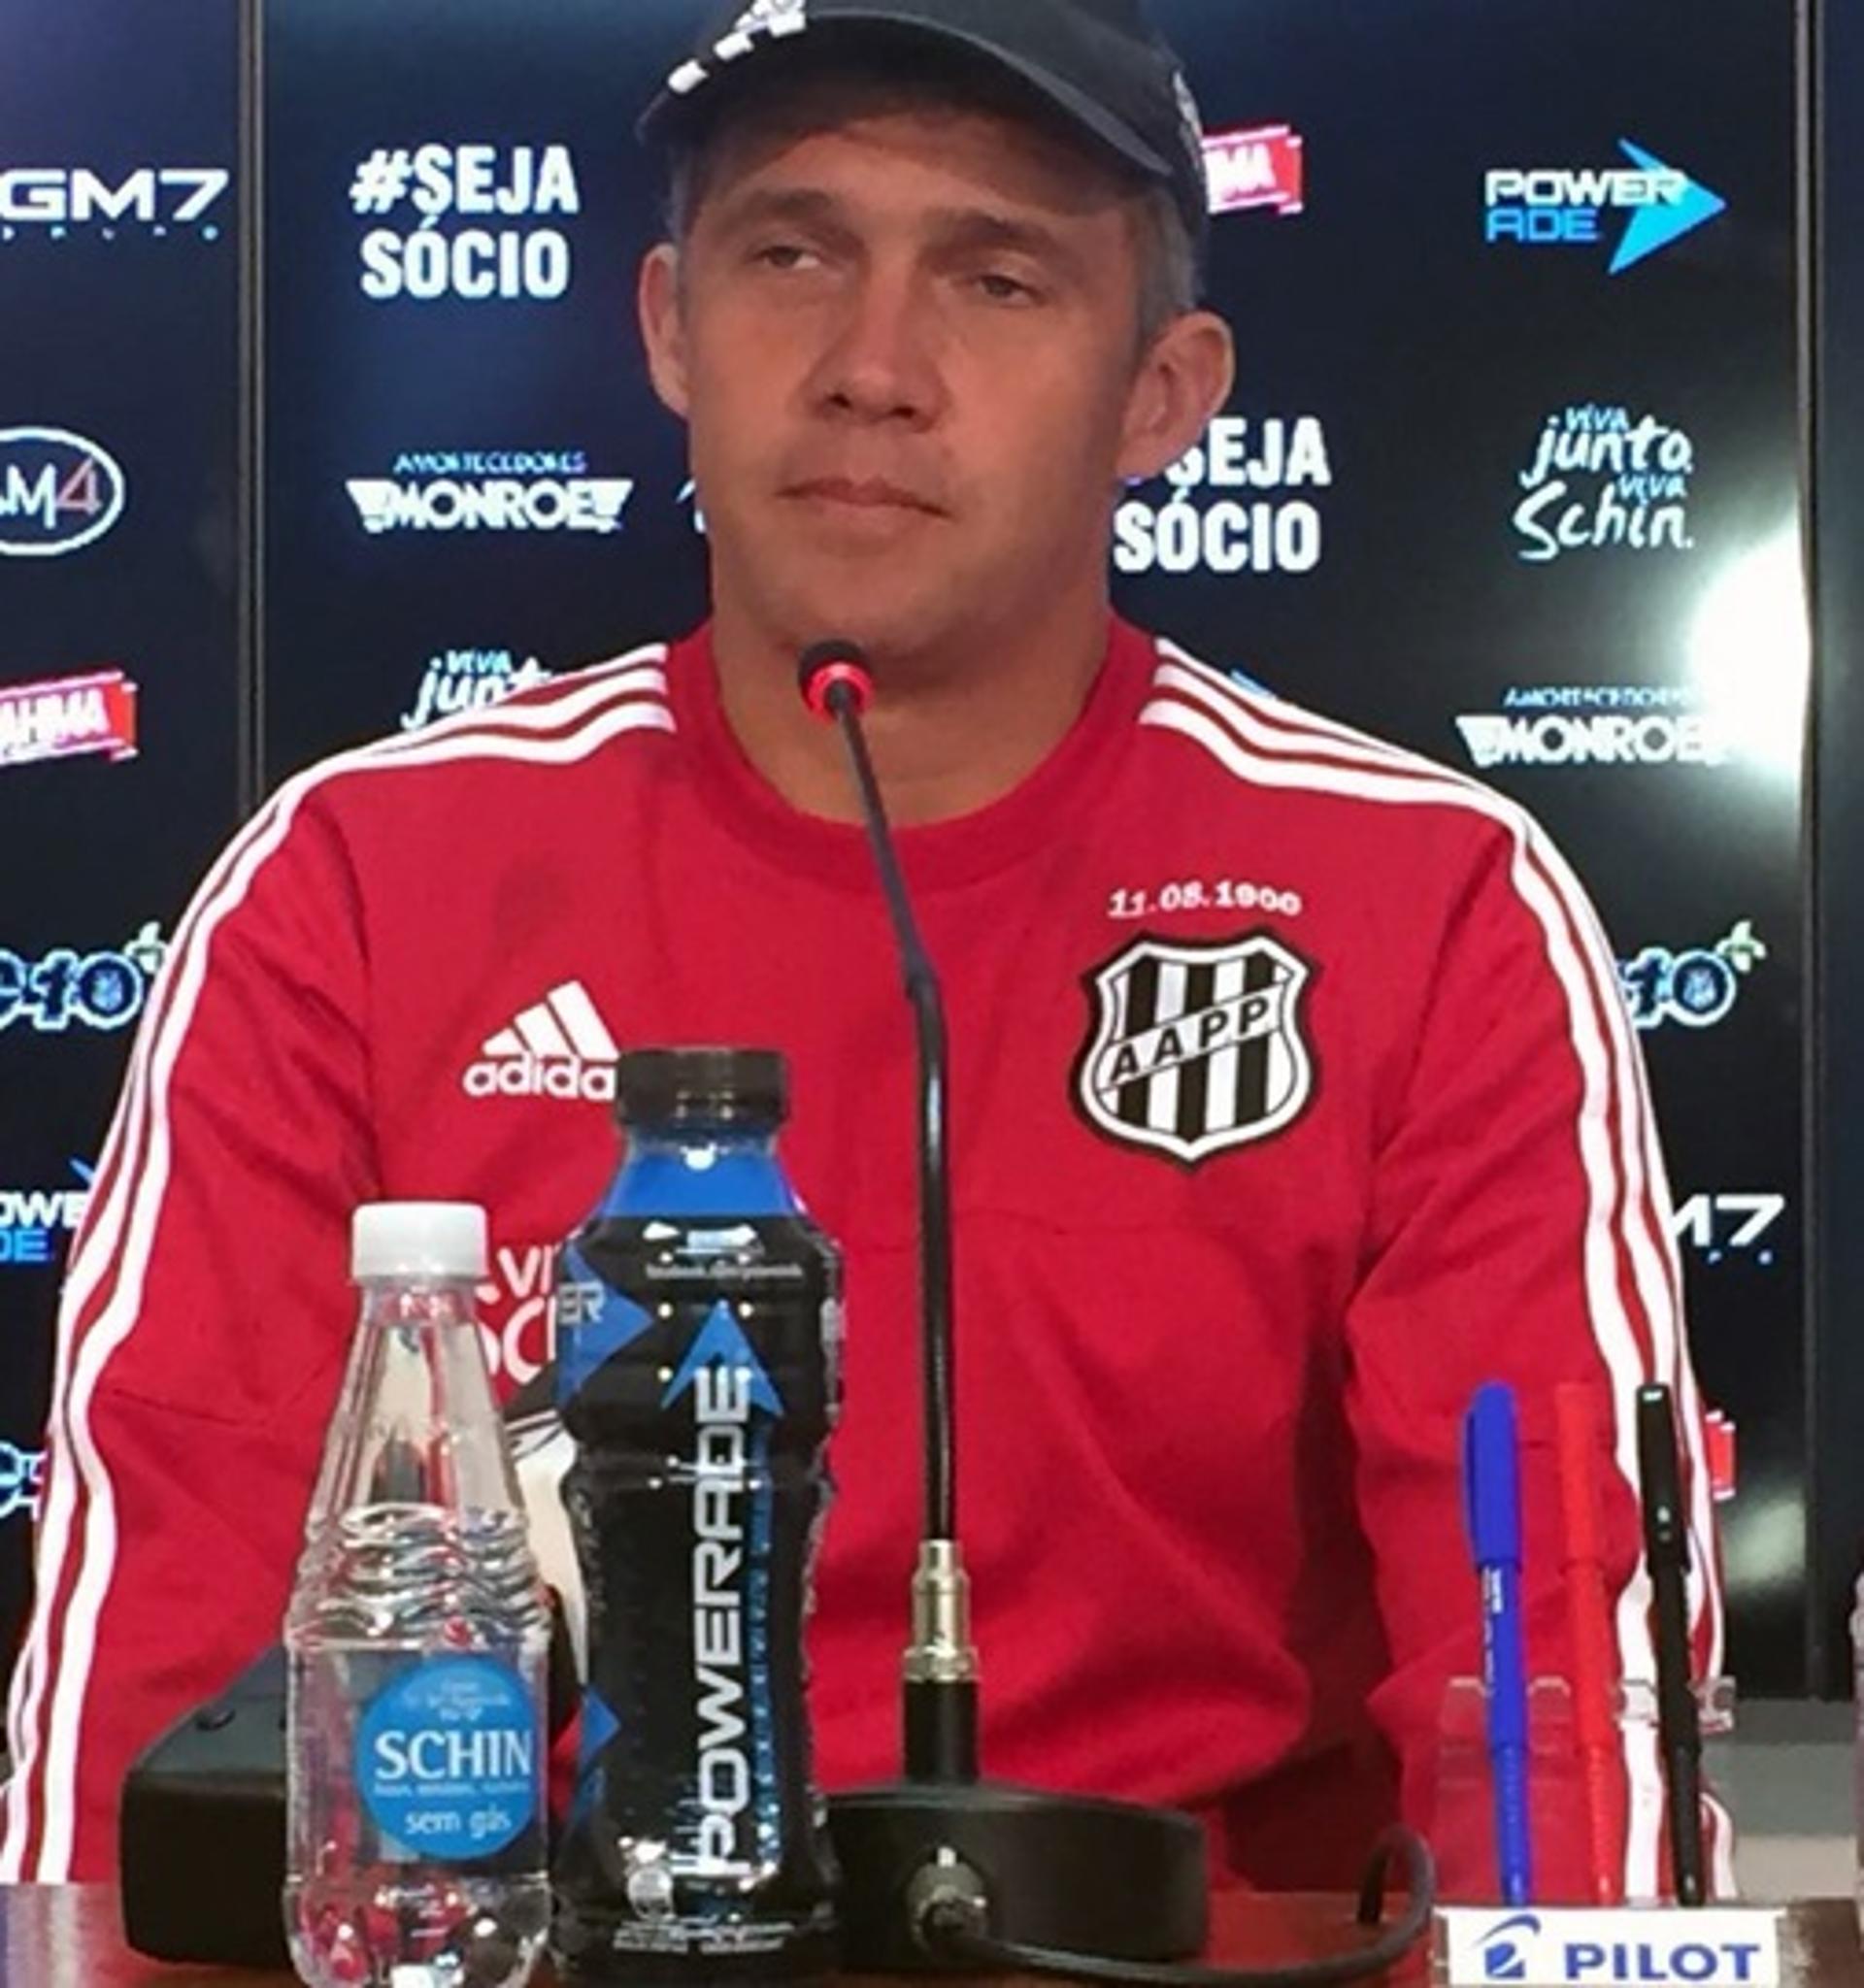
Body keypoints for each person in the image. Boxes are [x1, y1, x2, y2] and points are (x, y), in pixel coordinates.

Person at [2, 0, 1724, 1899]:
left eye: (996, 280)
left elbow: (1554, 1683)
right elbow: (147, 1715)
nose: (871, 366)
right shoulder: (355, 884)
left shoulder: (1432, 904)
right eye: (793, 254)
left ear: (1163, 395)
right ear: (668, 325)